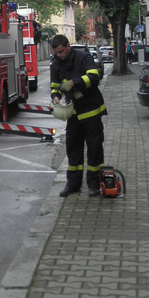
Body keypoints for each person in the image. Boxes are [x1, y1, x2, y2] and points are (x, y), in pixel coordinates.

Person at [50, 34, 107, 197]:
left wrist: (74, 82)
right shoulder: (56, 65)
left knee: (94, 149)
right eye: (56, 53)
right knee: (73, 149)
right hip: (73, 114)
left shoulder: (83, 58)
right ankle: (73, 184)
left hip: (91, 111)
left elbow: (94, 77)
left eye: (61, 51)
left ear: (68, 46)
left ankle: (94, 184)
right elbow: (54, 86)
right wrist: (55, 96)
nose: (59, 55)